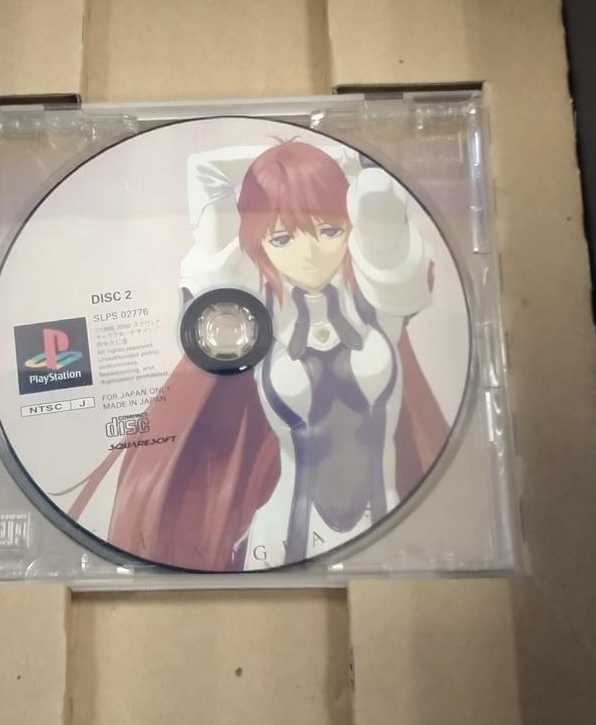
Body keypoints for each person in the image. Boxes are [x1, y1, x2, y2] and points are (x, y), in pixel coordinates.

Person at [67, 137, 450, 571]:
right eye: (282, 238)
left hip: (385, 523)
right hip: (277, 535)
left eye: (329, 231)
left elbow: (380, 193)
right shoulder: (251, 318)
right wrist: (281, 166)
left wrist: (329, 162)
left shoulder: (380, 302)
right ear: (256, 243)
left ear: (350, 226)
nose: (309, 254)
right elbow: (204, 169)